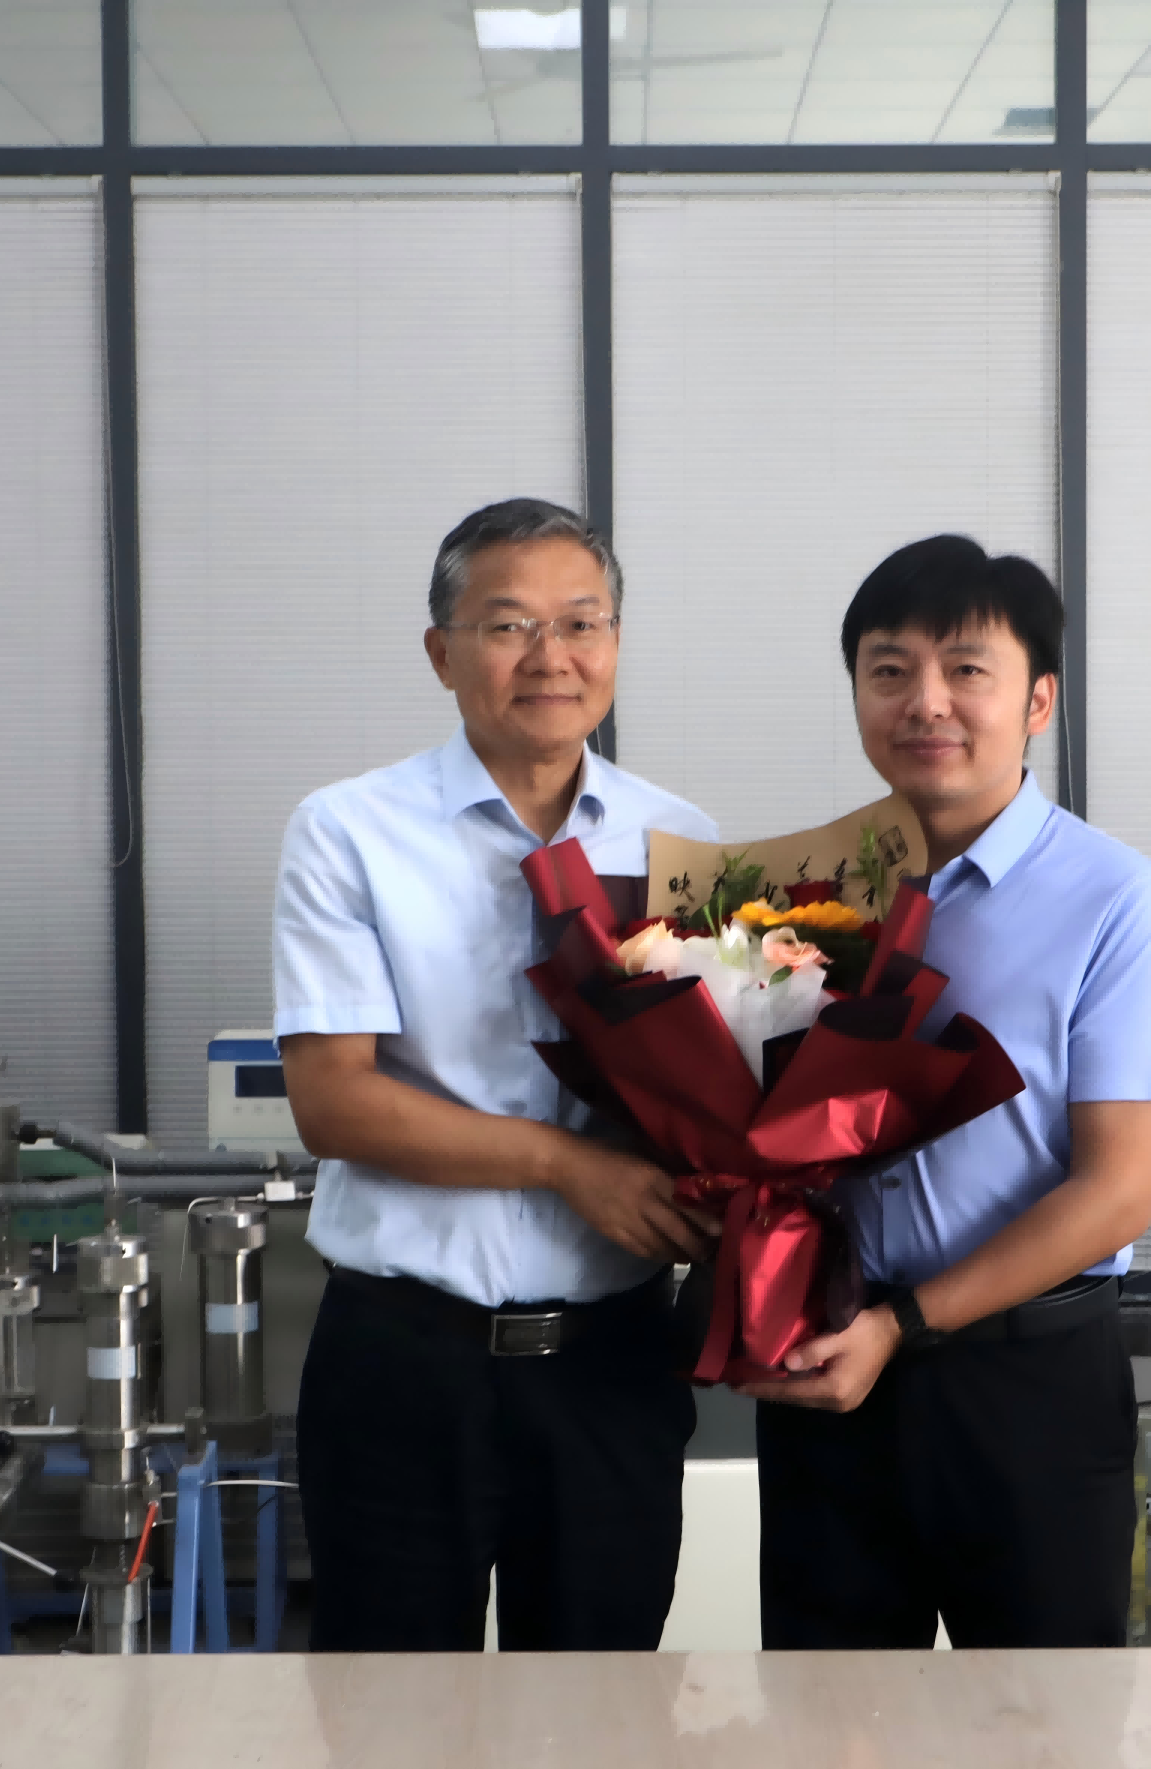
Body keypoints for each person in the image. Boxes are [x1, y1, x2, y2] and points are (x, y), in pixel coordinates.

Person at [740, 533, 1151, 1650]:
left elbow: (1116, 1193)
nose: (926, 702)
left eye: (966, 669)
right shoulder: (805, 895)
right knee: (828, 1713)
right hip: (829, 1371)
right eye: (889, 670)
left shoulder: (1117, 899)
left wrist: (904, 1323)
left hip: (1025, 1382)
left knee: (1043, 1714)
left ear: (1037, 699)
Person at [274, 497, 720, 1652]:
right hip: (402, 1360)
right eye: (509, 624)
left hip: (609, 1364)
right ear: (442, 652)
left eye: (581, 622)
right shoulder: (348, 830)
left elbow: (711, 1090)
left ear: (614, 643)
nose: (550, 656)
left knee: (598, 1708)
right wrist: (569, 1165)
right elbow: (332, 1102)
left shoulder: (680, 842)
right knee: (386, 1706)